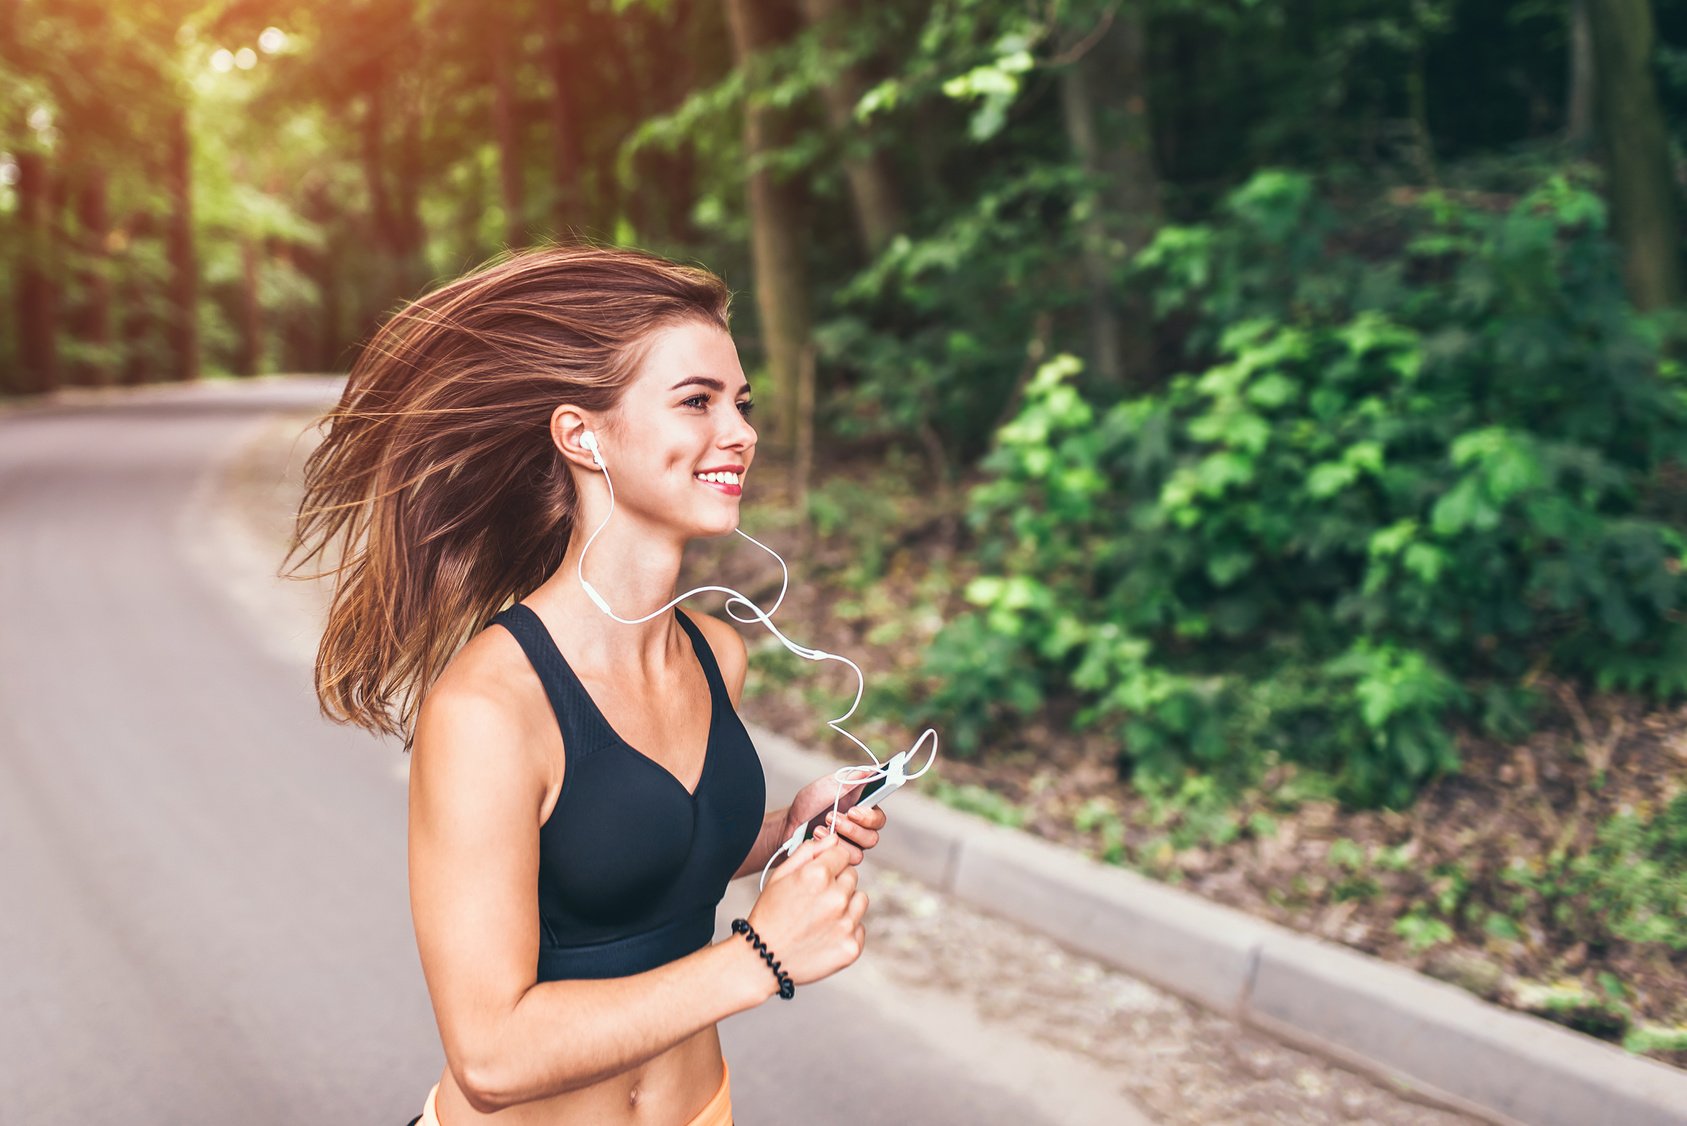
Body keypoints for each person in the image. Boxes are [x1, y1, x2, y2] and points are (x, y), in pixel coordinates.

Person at [285, 244, 890, 1125]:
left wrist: (782, 832)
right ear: (581, 434)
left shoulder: (716, 653)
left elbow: (630, 865)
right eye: (697, 400)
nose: (742, 431)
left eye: (742, 402)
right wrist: (759, 957)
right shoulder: (492, 708)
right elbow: (491, 1056)